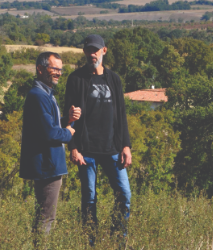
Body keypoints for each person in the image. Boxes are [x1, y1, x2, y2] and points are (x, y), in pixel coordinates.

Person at [67, 34, 134, 244]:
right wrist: (73, 148)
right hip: (86, 151)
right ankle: (91, 242)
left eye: (96, 49)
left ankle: (118, 239)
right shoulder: (76, 79)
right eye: (88, 49)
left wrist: (126, 145)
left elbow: (121, 115)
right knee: (89, 199)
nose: (92, 53)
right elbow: (68, 118)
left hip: (113, 149)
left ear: (104, 51)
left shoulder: (114, 79)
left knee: (124, 195)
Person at [19, 51, 75, 236]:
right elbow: (50, 133)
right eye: (54, 68)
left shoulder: (45, 94)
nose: (59, 73)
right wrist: (68, 133)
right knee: (46, 217)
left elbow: (49, 125)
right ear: (40, 69)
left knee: (45, 215)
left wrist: (67, 118)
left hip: (49, 164)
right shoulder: (39, 96)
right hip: (47, 166)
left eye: (61, 69)